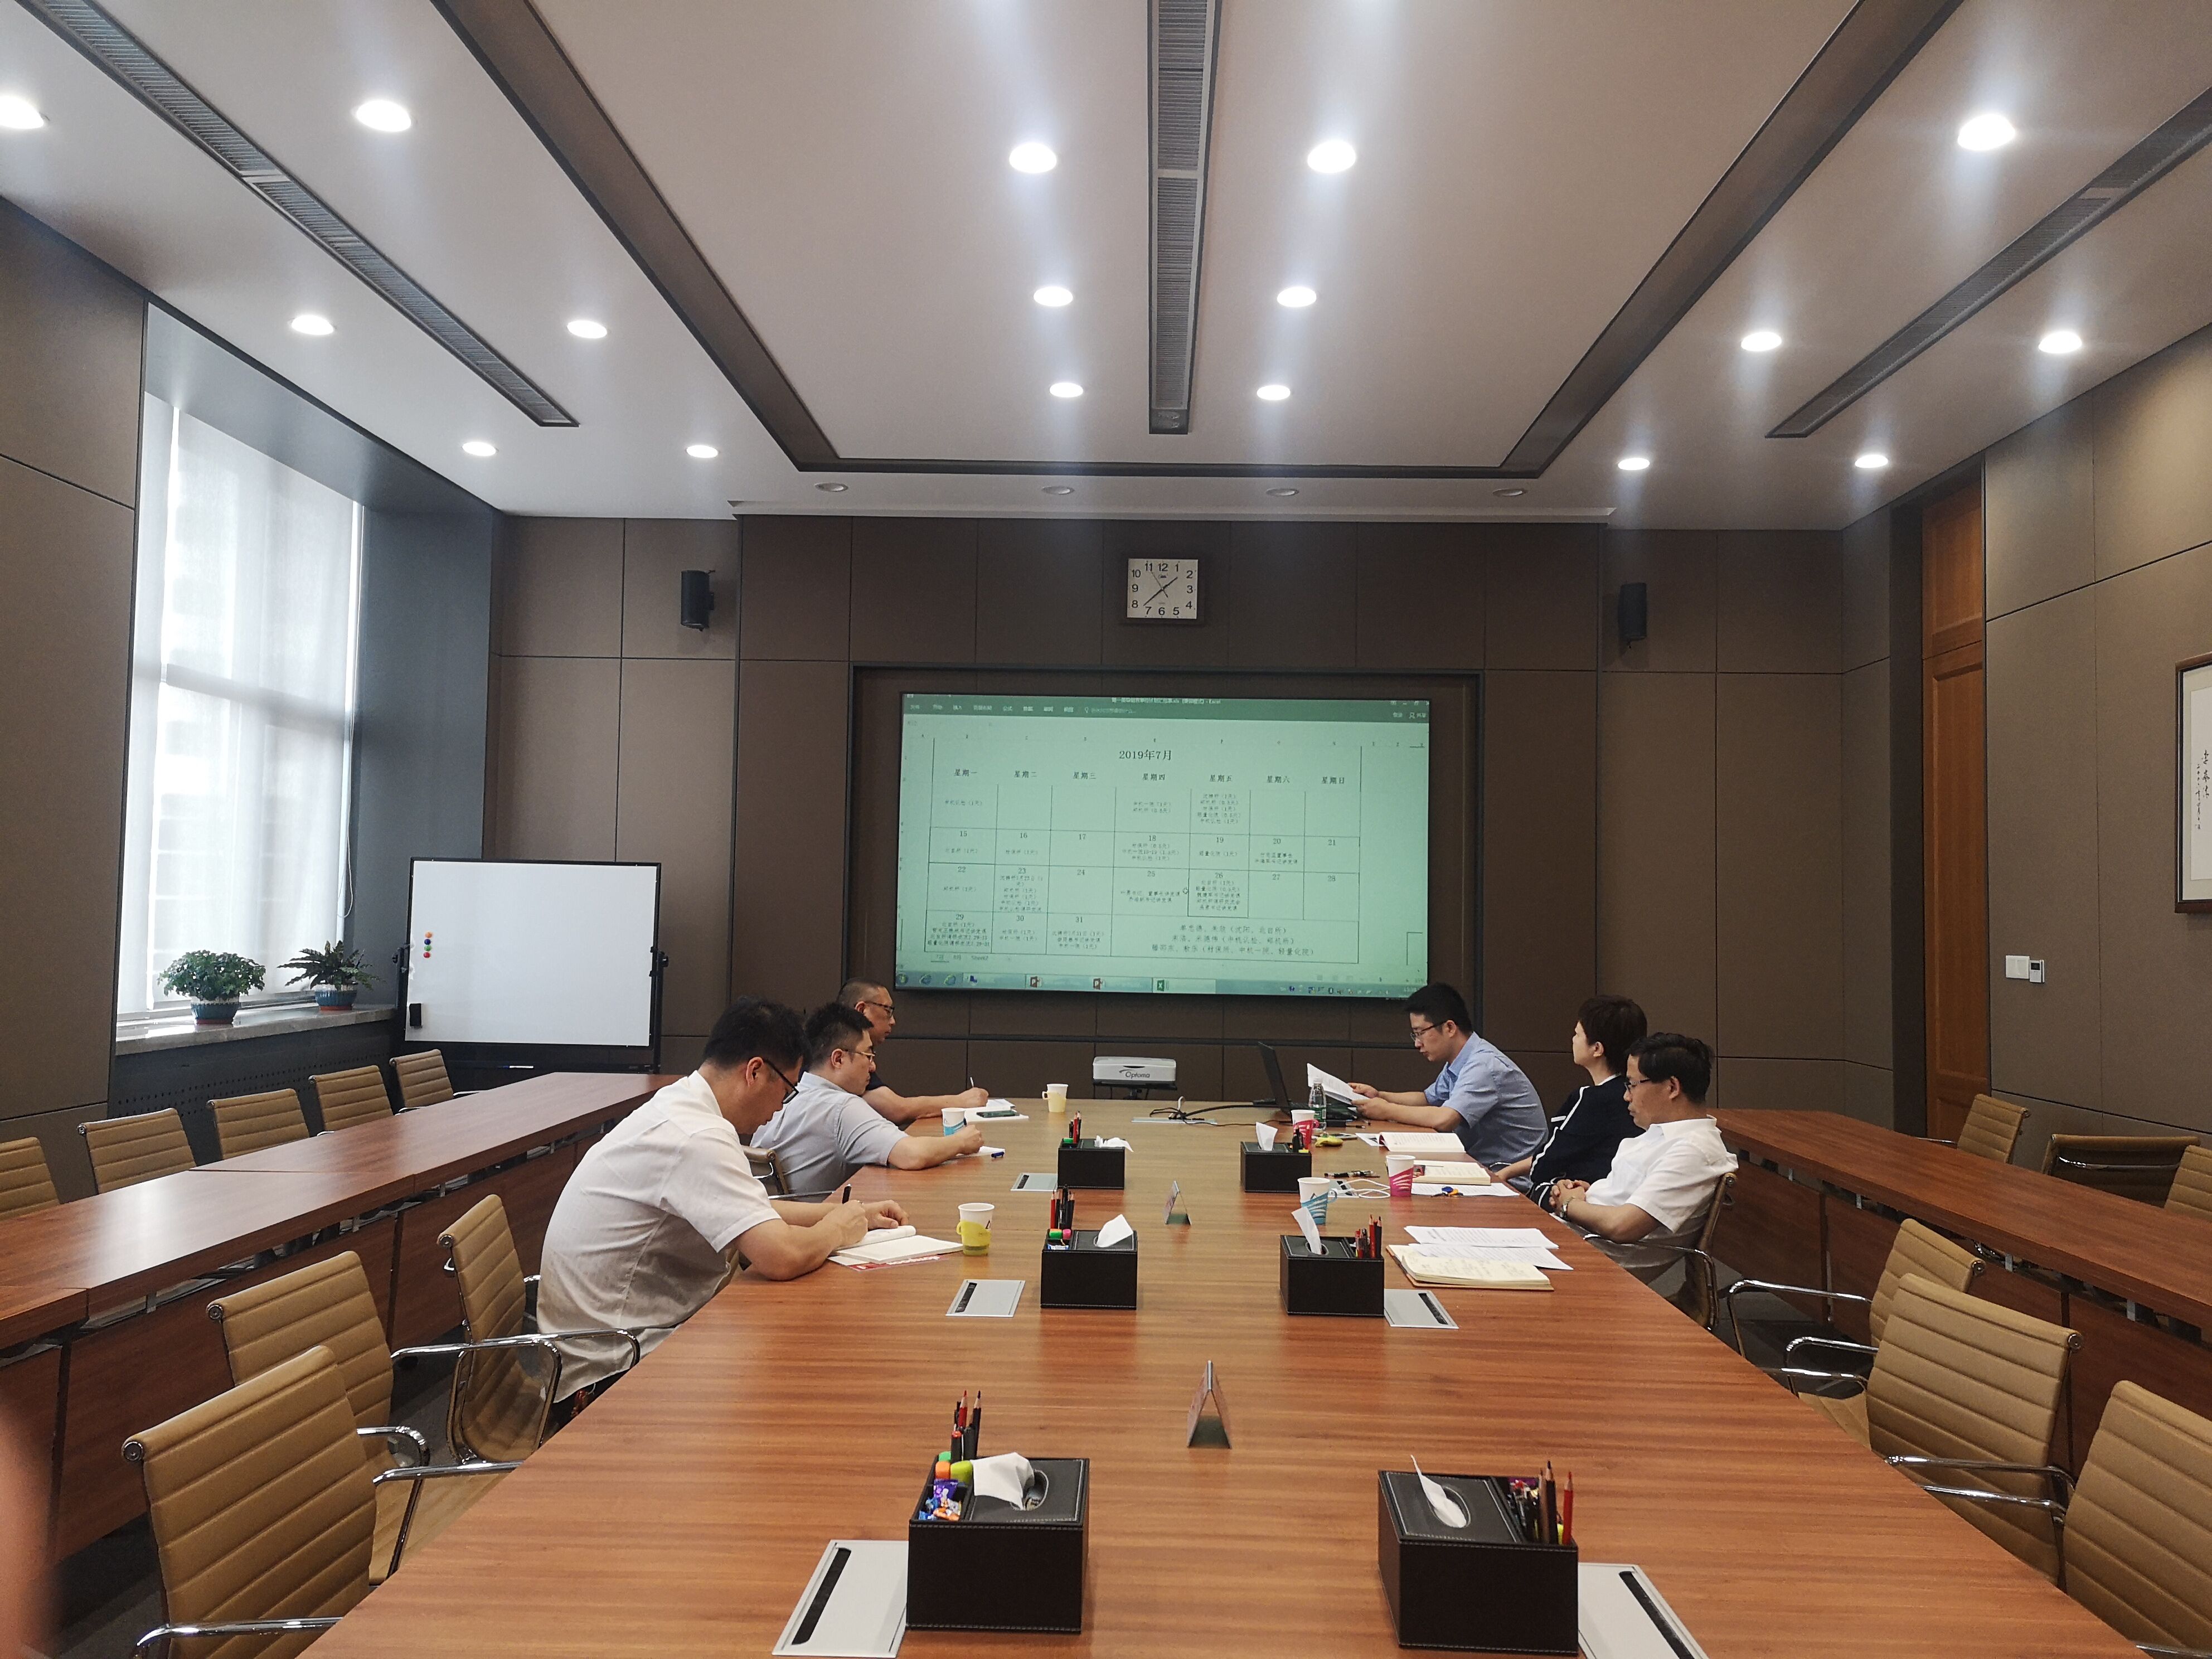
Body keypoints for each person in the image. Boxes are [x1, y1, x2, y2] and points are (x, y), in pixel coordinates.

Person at [536, 997, 908, 1427]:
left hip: (625, 1341)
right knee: (805, 1371)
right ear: (755, 1072)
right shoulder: (695, 1135)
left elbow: (753, 1210)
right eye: (787, 1091)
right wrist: (839, 1229)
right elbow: (782, 1256)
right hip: (610, 1373)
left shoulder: (683, 1104)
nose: (781, 1108)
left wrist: (852, 1214)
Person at [1542, 1032, 1735, 1280]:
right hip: (1574, 1244)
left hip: (1592, 1264)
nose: (1627, 1096)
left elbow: (1622, 1226)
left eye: (1633, 1084)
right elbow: (1626, 1199)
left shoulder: (1694, 1151)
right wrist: (1587, 1194)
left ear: (1672, 1088)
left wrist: (1570, 1204)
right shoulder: (1661, 1134)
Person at [753, 1003, 988, 1194]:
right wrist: (961, 1141)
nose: (873, 1067)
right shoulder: (841, 1108)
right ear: (838, 1059)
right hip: (816, 1225)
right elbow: (912, 1155)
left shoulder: (783, 1097)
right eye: (868, 1055)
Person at [1347, 982, 1547, 1171]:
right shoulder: (1461, 1059)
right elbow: (1427, 1099)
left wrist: (1386, 1110)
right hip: (1479, 1166)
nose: (1417, 1043)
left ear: (1450, 1028)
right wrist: (1380, 1096)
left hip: (1509, 1179)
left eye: (1420, 1033)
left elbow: (1445, 1119)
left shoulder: (1484, 1065)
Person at [1493, 993, 1647, 1204]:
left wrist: (1507, 1173)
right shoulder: (1639, 1096)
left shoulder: (1592, 1099)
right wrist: (1508, 1172)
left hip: (1581, 1198)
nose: (1573, 1040)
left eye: (1577, 1034)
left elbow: (1546, 1163)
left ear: (1597, 1048)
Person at [840, 978, 988, 1126]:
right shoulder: (843, 1048)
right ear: (861, 1010)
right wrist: (960, 1102)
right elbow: (896, 1109)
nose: (893, 1021)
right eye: (887, 1011)